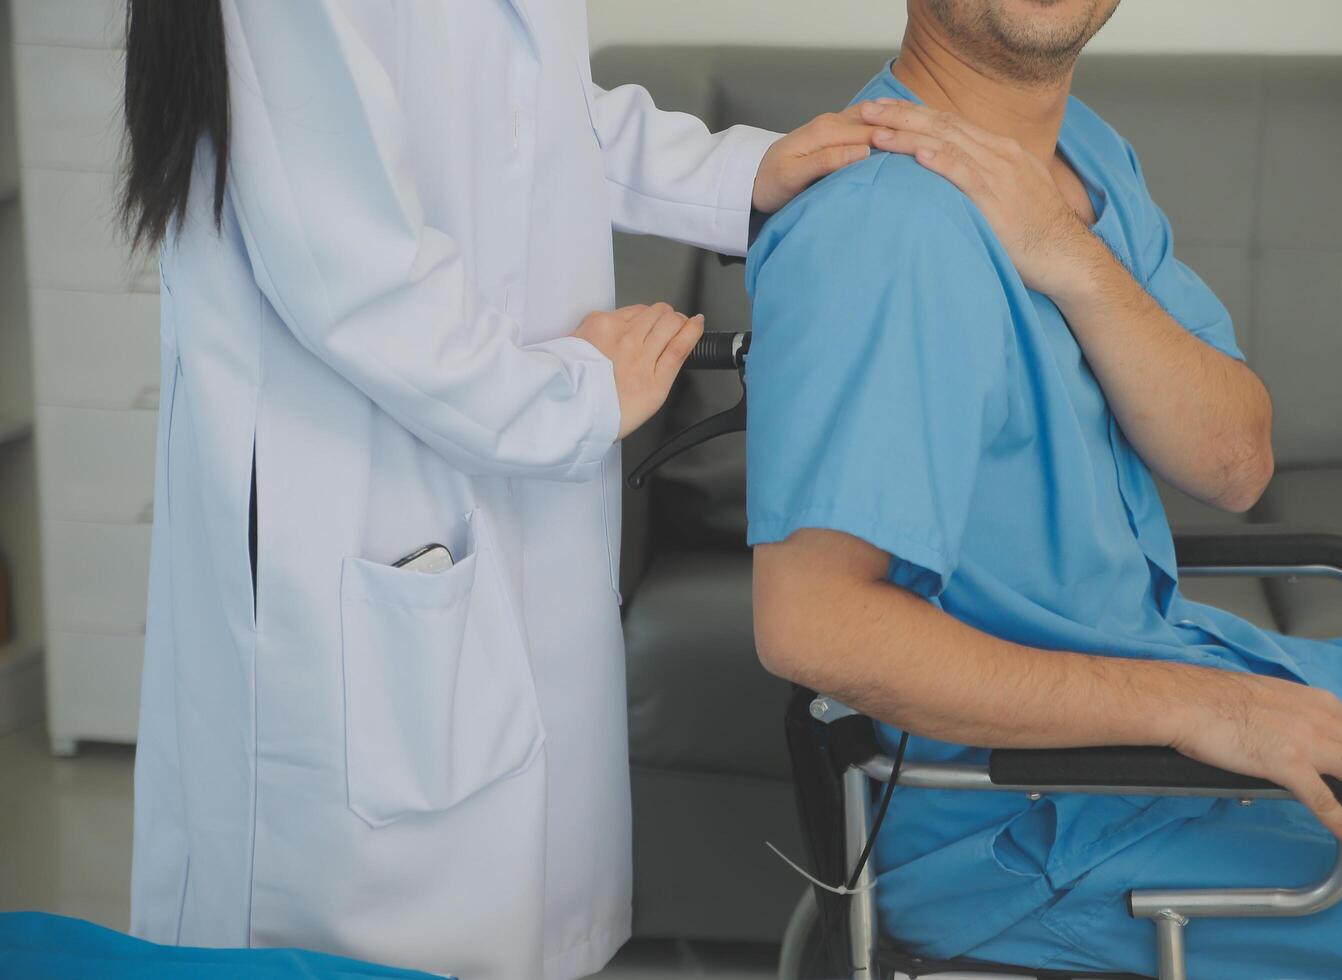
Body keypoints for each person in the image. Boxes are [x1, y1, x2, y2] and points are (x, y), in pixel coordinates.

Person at [115, 2, 903, 978]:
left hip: (492, 468)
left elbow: (531, 116)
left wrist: (742, 171)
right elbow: (350, 262)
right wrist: (570, 394)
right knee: (351, 940)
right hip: (356, 495)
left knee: (502, 897)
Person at [744, 1, 1342, 975]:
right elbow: (814, 625)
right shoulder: (885, 226)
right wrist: (1195, 706)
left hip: (1176, 700)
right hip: (1035, 829)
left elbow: (1234, 459)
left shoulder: (1081, 160)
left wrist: (1066, 250)